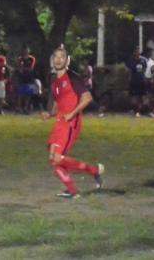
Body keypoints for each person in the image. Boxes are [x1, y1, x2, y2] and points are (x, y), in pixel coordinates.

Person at [41, 46, 103, 199]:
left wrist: (72, 114)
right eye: (56, 56)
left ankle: (94, 171)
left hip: (71, 123)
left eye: (62, 57)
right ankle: (73, 190)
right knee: (54, 161)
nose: (58, 59)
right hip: (59, 123)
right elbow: (57, 107)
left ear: (67, 61)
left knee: (56, 158)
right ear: (52, 60)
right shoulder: (55, 83)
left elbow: (87, 98)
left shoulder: (73, 77)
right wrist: (49, 114)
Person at [126, 47, 150, 117]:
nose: (137, 53)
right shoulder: (131, 60)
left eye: (138, 51)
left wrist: (147, 78)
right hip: (134, 81)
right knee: (134, 97)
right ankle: (136, 111)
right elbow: (129, 71)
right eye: (136, 51)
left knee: (144, 96)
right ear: (134, 52)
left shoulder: (144, 60)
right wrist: (129, 78)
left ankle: (147, 111)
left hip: (142, 81)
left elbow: (147, 69)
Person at [16, 46, 37, 114]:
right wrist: (23, 68)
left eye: (27, 50)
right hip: (21, 78)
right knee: (20, 93)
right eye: (25, 50)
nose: (26, 51)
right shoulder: (20, 59)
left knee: (28, 93)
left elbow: (31, 68)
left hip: (29, 77)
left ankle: (25, 107)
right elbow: (19, 69)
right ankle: (19, 108)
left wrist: (23, 68)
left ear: (29, 51)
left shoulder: (32, 59)